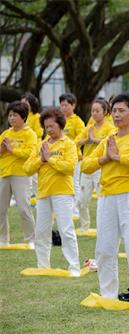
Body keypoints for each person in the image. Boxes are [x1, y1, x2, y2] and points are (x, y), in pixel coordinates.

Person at [81, 92, 129, 300]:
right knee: (104, 250)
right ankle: (108, 295)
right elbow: (85, 165)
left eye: (122, 110)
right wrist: (105, 159)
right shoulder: (108, 140)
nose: (117, 115)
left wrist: (118, 157)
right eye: (114, 111)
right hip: (107, 198)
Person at [24, 107, 80, 276]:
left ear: (60, 125)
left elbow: (69, 167)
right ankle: (43, 266)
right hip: (43, 193)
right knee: (41, 232)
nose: (49, 130)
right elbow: (27, 168)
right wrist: (41, 159)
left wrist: (50, 159)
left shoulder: (69, 144)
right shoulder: (41, 145)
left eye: (52, 126)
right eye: (46, 127)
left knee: (66, 230)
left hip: (62, 192)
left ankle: (74, 267)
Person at [75, 98, 115, 232]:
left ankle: (102, 228)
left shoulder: (110, 127)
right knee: (82, 201)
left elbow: (110, 143)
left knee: (101, 199)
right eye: (92, 111)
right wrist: (87, 139)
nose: (94, 113)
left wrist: (94, 140)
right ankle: (84, 227)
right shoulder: (89, 128)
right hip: (87, 167)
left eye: (98, 111)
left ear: (105, 112)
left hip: (100, 167)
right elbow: (76, 141)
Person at [0, 101, 37, 247]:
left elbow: (30, 153)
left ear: (23, 117)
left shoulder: (30, 134)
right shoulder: (5, 133)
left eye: (15, 115)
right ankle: (3, 240)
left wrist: (12, 149)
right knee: (1, 209)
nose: (11, 118)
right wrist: (3, 150)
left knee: (23, 208)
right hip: (4, 174)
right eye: (10, 115)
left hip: (21, 174)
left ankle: (31, 239)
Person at [59, 93, 85, 218]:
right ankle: (67, 207)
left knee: (75, 182)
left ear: (73, 105)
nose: (63, 108)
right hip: (60, 158)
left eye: (66, 105)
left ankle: (76, 209)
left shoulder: (77, 121)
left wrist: (69, 145)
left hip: (74, 157)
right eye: (62, 105)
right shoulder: (59, 120)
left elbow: (82, 137)